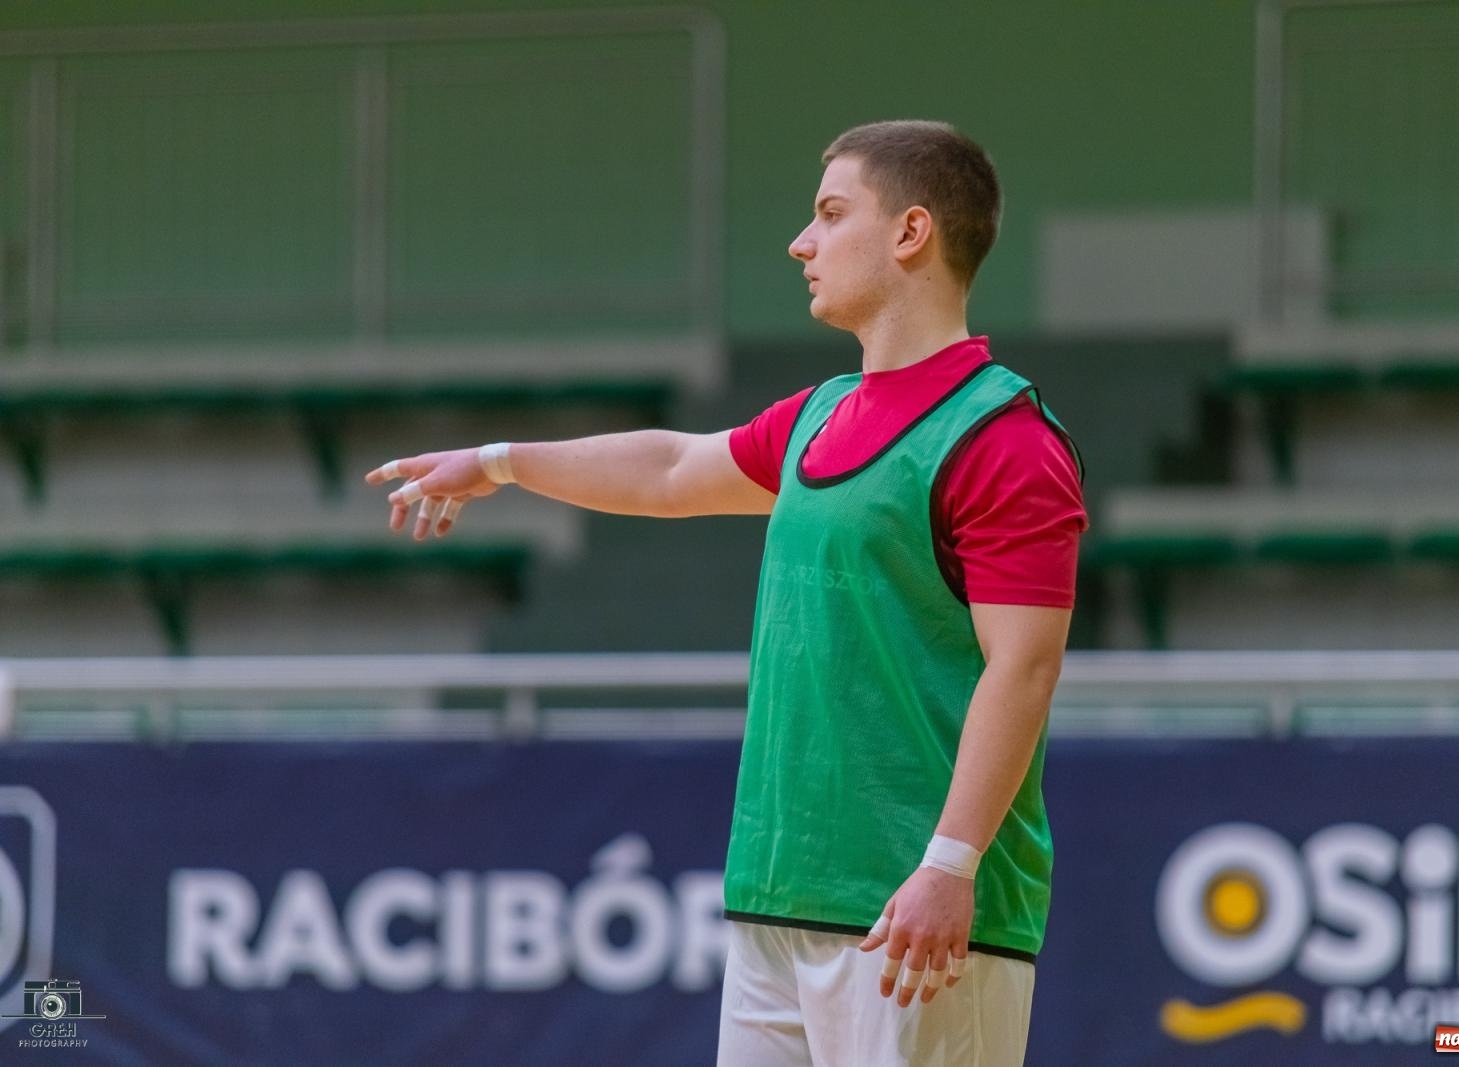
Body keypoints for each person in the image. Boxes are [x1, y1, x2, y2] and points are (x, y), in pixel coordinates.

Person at [368, 120, 1086, 1066]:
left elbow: (1024, 668)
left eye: (831, 214)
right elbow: (672, 468)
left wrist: (949, 865)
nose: (802, 241)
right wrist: (499, 463)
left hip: (918, 914)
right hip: (777, 897)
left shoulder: (1005, 440)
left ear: (911, 233)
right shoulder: (823, 414)